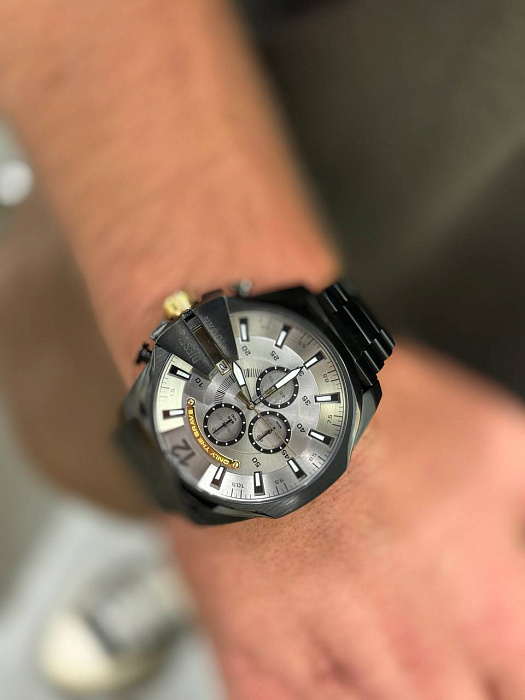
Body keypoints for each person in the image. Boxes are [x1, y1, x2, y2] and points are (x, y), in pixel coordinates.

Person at [1, 1, 525, 697]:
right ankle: (190, 558)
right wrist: (291, 525)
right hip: (220, 163)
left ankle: (213, 552)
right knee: (143, 473)